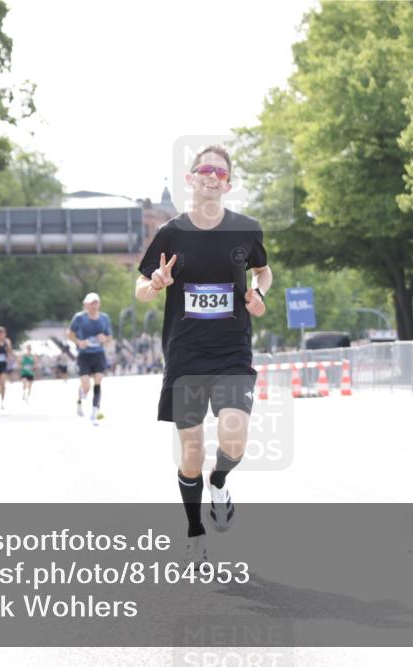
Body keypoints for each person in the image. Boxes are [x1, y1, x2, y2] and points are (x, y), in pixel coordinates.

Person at [135, 145, 272, 565]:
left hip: (232, 350)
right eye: (204, 169)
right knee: (190, 451)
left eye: (220, 172)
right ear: (191, 179)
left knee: (234, 435)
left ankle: (221, 481)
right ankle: (195, 531)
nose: (212, 175)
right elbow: (140, 290)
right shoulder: (171, 233)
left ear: (228, 184)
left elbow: (262, 270)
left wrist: (259, 294)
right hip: (185, 354)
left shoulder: (246, 230)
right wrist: (156, 283)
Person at [67, 292, 113, 425]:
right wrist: (78, 342)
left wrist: (104, 339)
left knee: (98, 380)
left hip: (98, 354)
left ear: (99, 304)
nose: (93, 306)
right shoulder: (79, 318)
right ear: (86, 305)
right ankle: (80, 399)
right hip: (84, 355)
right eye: (91, 303)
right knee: (86, 385)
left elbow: (109, 338)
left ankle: (95, 410)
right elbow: (69, 333)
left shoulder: (104, 318)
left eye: (96, 303)